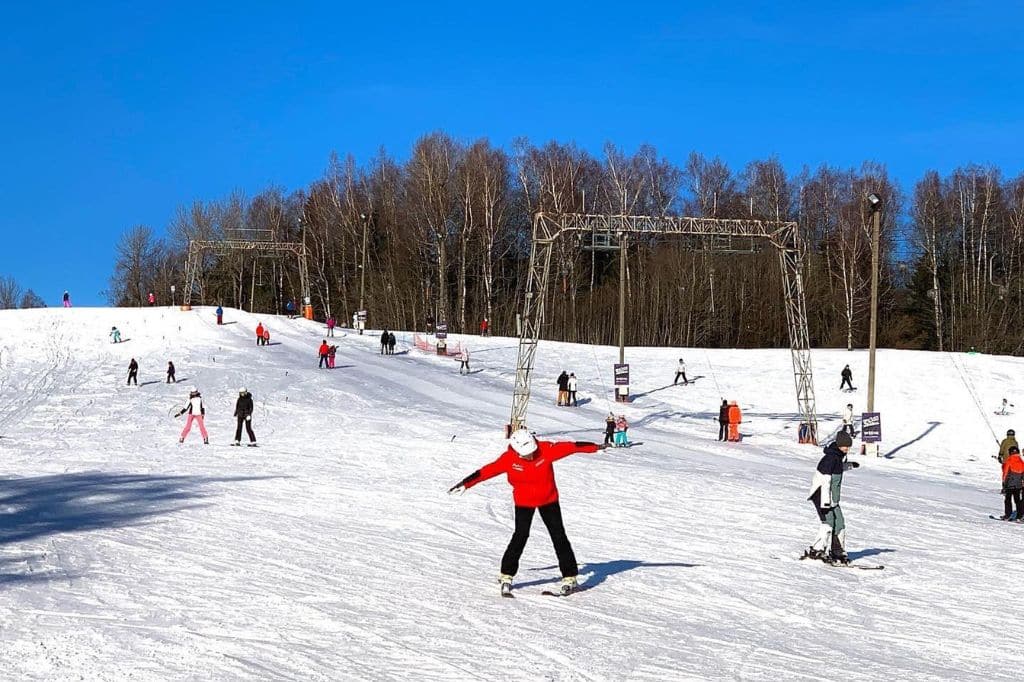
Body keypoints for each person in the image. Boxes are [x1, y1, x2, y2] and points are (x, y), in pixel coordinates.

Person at [447, 429, 604, 596]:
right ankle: (506, 575)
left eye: (532, 451)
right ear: (516, 450)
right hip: (524, 502)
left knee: (558, 536)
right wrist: (465, 484)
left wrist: (596, 447)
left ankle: (570, 576)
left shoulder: (545, 449)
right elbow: (485, 472)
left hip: (549, 500)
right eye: (526, 454)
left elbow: (572, 447)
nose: (530, 456)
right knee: (520, 535)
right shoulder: (508, 459)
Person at [804, 430, 860, 564]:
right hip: (821, 496)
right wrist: (825, 503)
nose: (846, 448)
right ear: (838, 445)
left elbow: (837, 469)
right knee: (828, 523)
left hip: (832, 498)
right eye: (844, 446)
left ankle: (838, 551)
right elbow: (826, 481)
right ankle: (817, 550)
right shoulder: (830, 458)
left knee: (839, 522)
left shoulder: (838, 456)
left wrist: (849, 465)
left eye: (848, 446)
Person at [1000, 445, 1024, 521]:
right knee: (1018, 501)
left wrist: (1004, 484)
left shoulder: (1009, 461)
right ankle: (1019, 516)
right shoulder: (1021, 462)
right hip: (1018, 485)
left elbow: (1005, 473)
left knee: (1008, 500)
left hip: (1009, 484)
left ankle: (1008, 515)